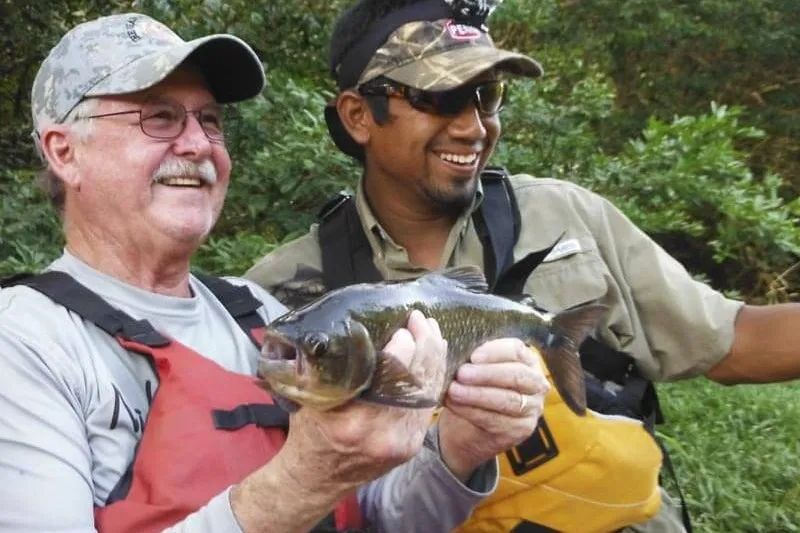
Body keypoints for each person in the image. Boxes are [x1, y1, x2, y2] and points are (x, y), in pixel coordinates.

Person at [245, 0, 800, 532]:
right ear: (359, 115)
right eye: (441, 98)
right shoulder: (283, 294)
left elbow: (732, 340)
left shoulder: (563, 215)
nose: (473, 126)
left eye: (487, 96)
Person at [0, 12, 552, 533]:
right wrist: (302, 479)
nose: (197, 144)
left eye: (210, 120)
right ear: (64, 153)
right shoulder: (26, 345)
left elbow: (377, 516)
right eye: (159, 117)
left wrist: (459, 447)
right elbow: (311, 485)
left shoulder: (259, 314)